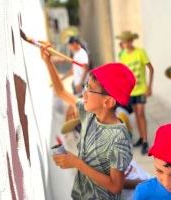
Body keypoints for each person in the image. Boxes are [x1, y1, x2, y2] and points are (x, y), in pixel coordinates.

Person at [40, 42, 135, 199]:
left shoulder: (118, 138)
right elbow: (61, 92)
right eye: (85, 86)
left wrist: (77, 163)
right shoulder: (89, 113)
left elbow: (116, 186)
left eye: (89, 89)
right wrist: (48, 62)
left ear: (108, 102)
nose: (84, 94)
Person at [116, 31, 154, 155]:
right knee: (136, 115)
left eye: (127, 41)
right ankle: (141, 138)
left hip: (141, 89)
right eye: (123, 41)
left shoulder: (140, 52)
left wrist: (149, 87)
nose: (125, 44)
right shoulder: (122, 55)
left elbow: (151, 69)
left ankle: (145, 141)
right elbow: (122, 73)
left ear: (131, 41)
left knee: (141, 113)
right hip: (130, 91)